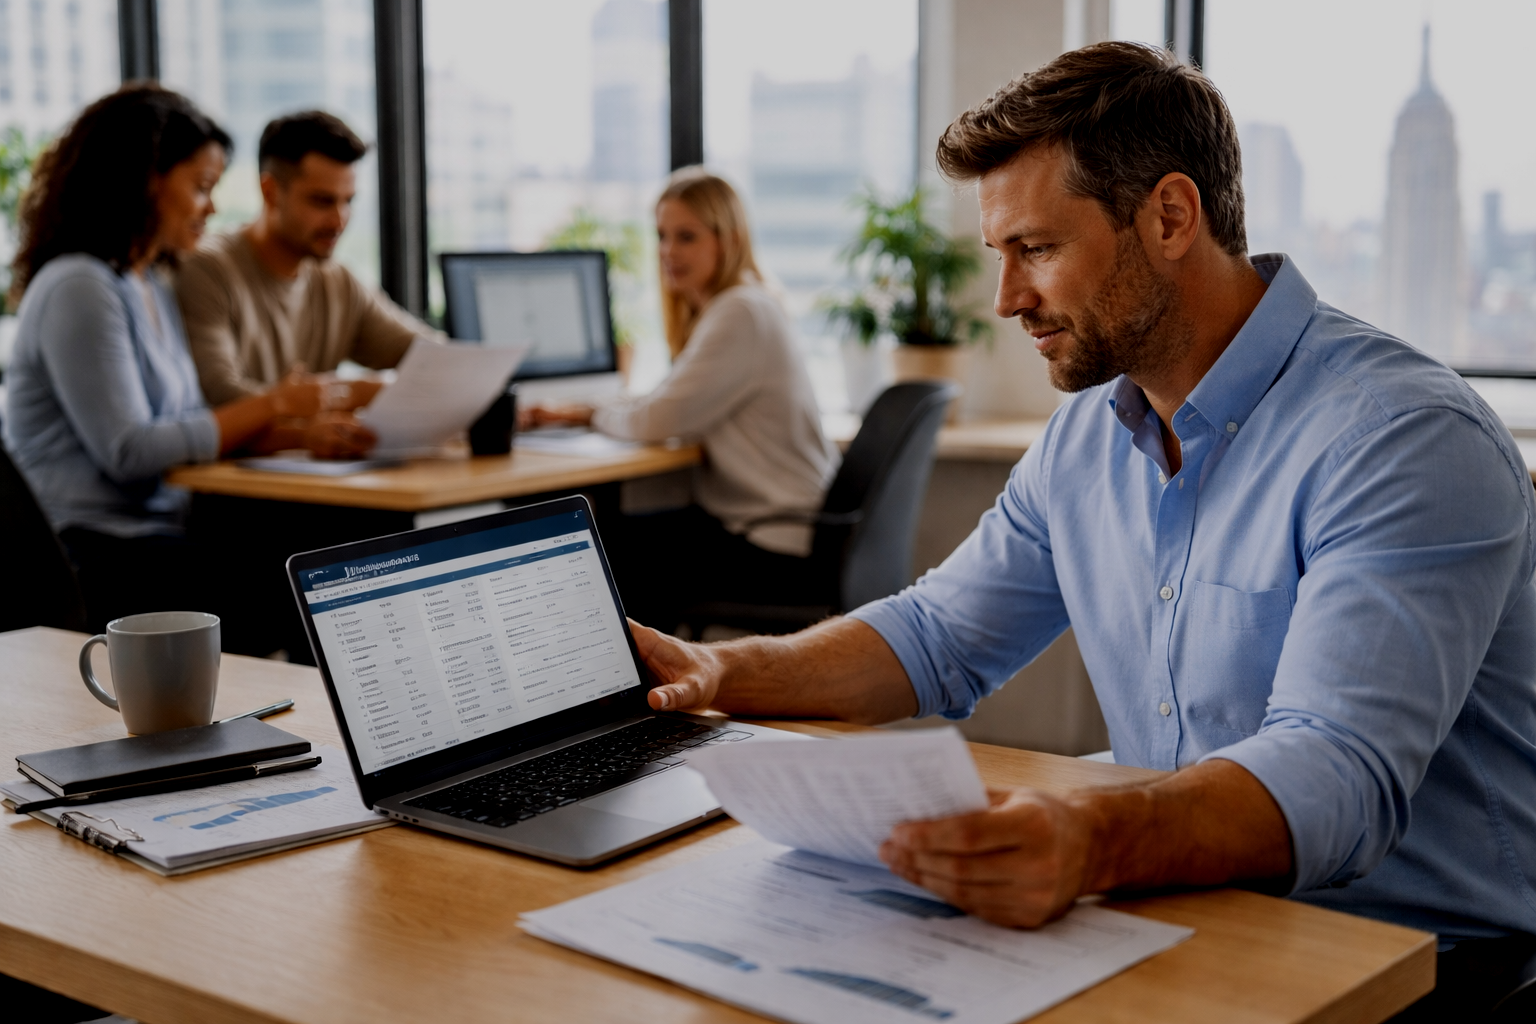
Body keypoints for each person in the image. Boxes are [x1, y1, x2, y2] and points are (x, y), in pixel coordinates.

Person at [622, 44, 1536, 1021]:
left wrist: (1094, 837)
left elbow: (1334, 773)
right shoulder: (1090, 438)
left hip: (1423, 964)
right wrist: (727, 672)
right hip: (1187, 908)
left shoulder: (1399, 438)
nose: (1009, 299)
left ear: (1171, 217)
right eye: (1000, 256)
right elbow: (938, 635)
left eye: (1038, 249)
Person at [2, 84, 371, 644]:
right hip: (92, 548)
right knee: (307, 588)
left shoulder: (146, 281)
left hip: (157, 532)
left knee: (336, 550)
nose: (213, 207)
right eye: (201, 187)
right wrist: (273, 403)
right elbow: (130, 450)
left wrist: (296, 435)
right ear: (145, 181)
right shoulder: (80, 286)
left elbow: (189, 425)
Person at [527, 168, 839, 632]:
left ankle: (633, 694)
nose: (668, 252)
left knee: (594, 546)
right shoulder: (746, 303)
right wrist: (598, 410)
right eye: (662, 236)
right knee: (615, 537)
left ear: (729, 239)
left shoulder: (739, 310)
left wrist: (591, 412)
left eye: (686, 237)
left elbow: (658, 418)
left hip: (776, 541)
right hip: (788, 529)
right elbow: (670, 402)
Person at [175, 110, 440, 409]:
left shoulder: (338, 282)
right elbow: (221, 396)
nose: (339, 220)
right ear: (271, 192)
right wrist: (356, 393)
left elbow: (437, 358)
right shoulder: (207, 269)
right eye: (322, 201)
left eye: (348, 201)